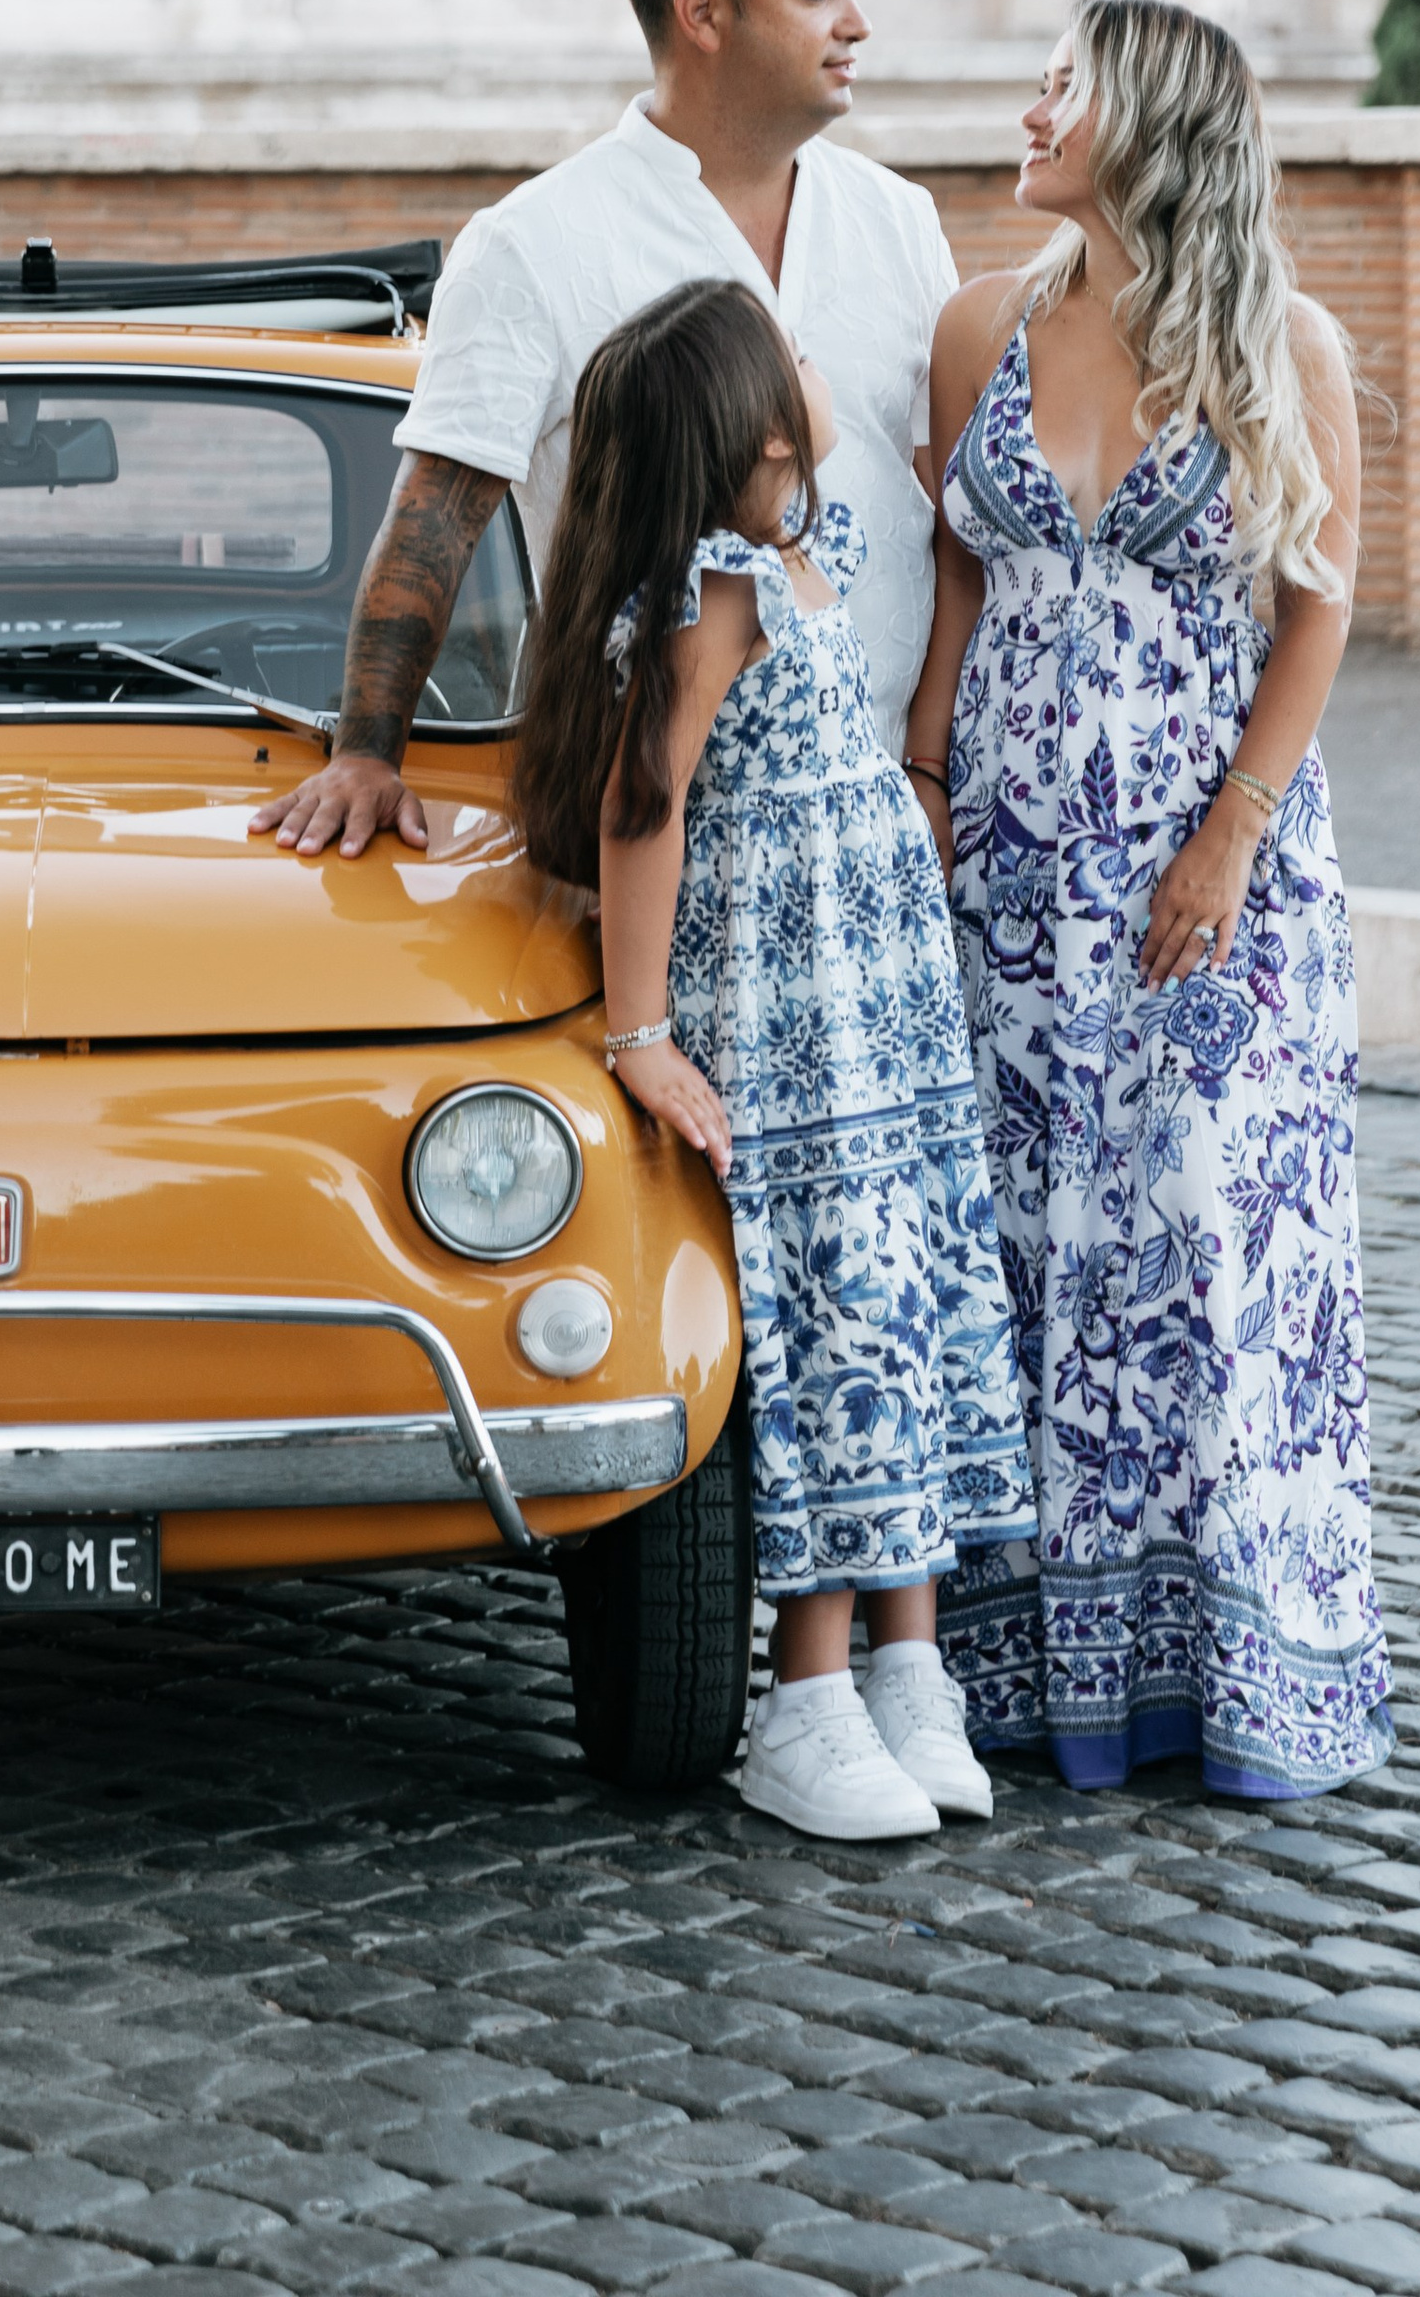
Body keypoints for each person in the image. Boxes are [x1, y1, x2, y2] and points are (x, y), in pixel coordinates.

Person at [904, 0, 1396, 1801]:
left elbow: (1320, 605)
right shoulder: (980, 330)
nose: (1032, 108)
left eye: (1066, 86)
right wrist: (932, 779)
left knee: (1204, 1238)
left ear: (1153, 121)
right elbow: (961, 590)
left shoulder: (1287, 345)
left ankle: (1230, 1667)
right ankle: (1027, 1663)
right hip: (1016, 868)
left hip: (1215, 872)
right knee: (1028, 1239)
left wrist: (1231, 833)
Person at [520, 278, 1033, 1841]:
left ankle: (907, 1669)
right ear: (754, 430)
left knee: (922, 1306)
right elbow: (641, 810)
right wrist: (642, 1036)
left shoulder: (812, 562)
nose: (822, 367)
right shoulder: (710, 600)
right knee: (839, 1325)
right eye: (798, 360)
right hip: (796, 1035)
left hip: (886, 1022)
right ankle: (803, 1699)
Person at [254, 0, 958, 861]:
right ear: (702, 13)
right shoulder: (532, 244)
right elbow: (434, 517)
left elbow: (943, 514)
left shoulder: (899, 220)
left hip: (886, 820)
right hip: (652, 840)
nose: (856, 22)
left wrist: (932, 772)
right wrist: (368, 750)